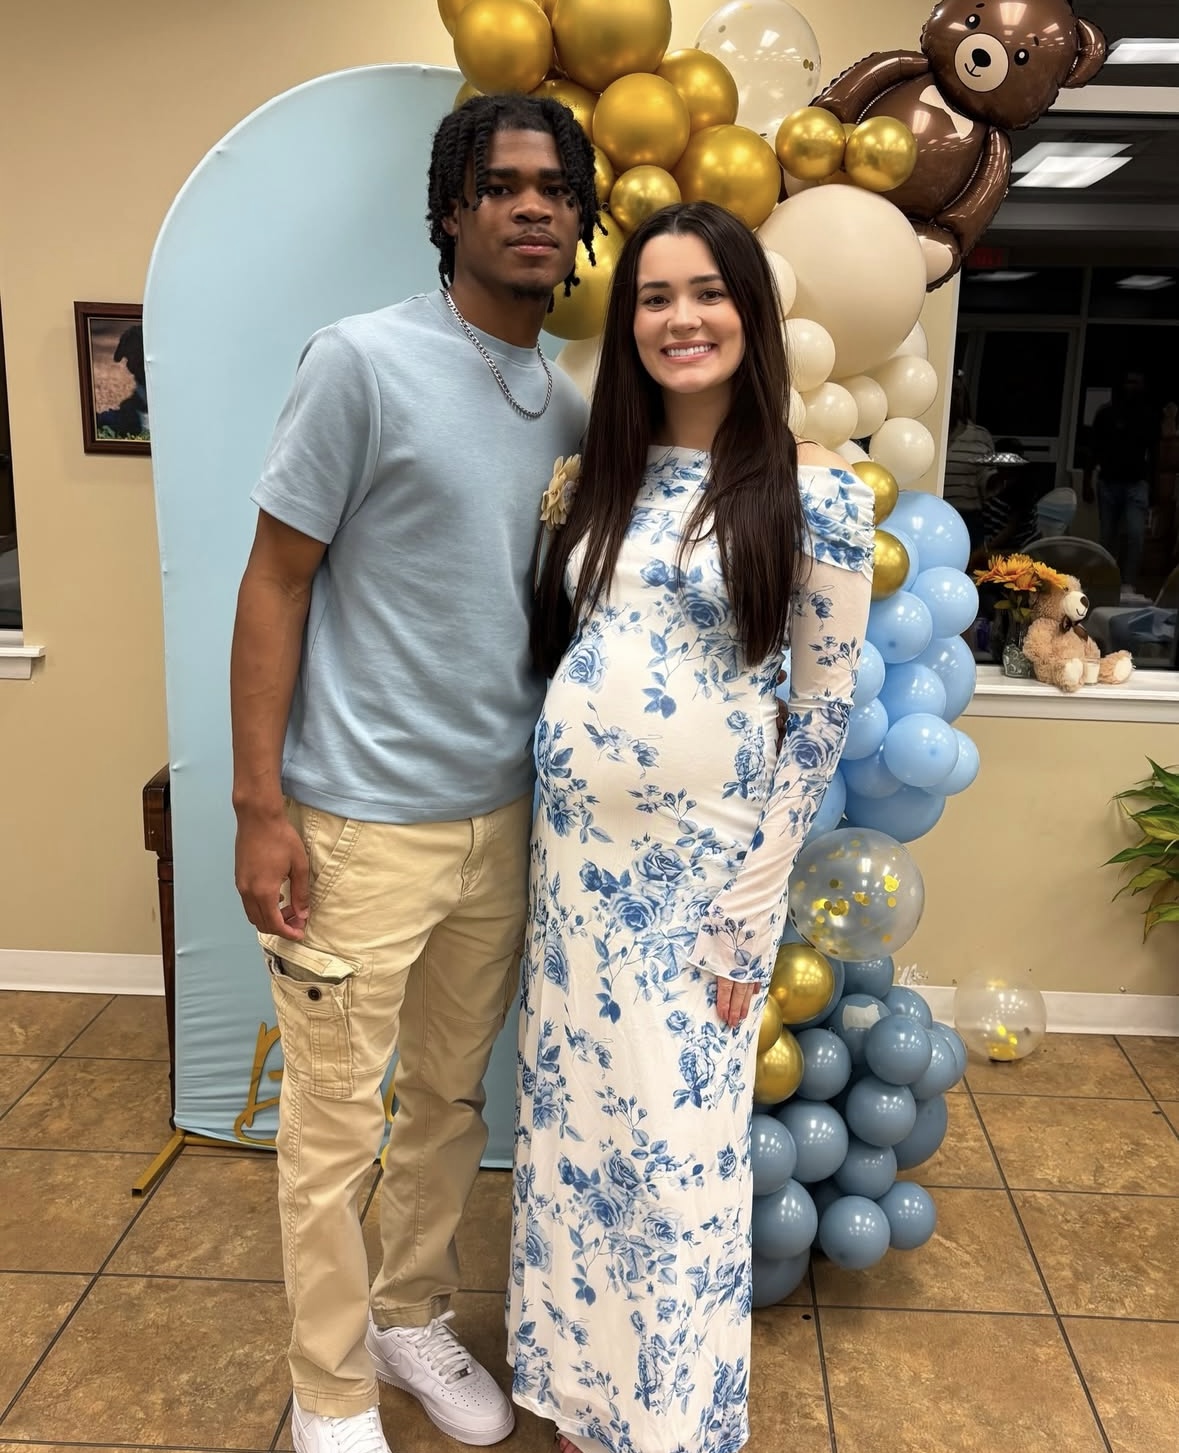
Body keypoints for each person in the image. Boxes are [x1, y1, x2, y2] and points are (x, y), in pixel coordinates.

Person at [229, 93, 598, 1453]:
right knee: (332, 1128)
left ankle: (408, 1315)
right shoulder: (361, 363)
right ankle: (328, 1390)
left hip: (500, 822)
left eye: (555, 187)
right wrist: (258, 806)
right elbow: (274, 582)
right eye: (501, 184)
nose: (531, 205)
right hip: (354, 826)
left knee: (447, 1102)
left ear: (579, 219)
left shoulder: (567, 408)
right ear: (451, 208)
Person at [508, 202, 874, 1453]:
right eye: (655, 297)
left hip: (699, 891)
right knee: (577, 1133)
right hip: (574, 876)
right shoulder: (600, 476)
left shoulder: (815, 492)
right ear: (630, 325)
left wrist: (751, 906)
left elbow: (818, 719)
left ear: (750, 313)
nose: (681, 319)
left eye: (707, 292)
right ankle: (582, 1397)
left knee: (672, 1163)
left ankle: (664, 1420)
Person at [1083, 370, 1156, 594]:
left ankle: (1128, 584)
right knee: (1107, 538)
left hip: (1137, 483)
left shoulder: (1148, 415)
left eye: (1137, 383)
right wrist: (1086, 481)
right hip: (1108, 483)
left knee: (1135, 534)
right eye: (1129, 382)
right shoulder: (1106, 413)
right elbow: (1093, 448)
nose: (1132, 387)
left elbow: (1155, 453)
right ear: (1121, 384)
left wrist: (1153, 487)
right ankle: (1105, 582)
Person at [941, 377, 993, 548]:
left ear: (965, 400)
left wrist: (999, 480)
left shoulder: (980, 436)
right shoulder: (925, 434)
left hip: (968, 520)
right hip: (934, 514)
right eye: (949, 392)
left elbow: (986, 482)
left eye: (957, 393)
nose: (952, 398)